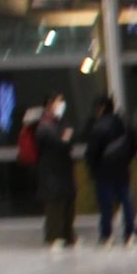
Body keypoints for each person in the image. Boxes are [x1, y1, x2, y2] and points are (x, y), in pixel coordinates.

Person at [81, 97, 137, 248]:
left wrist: (93, 168)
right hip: (122, 169)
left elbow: (91, 152)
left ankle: (106, 235)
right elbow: (135, 143)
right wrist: (127, 159)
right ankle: (130, 233)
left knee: (106, 206)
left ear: (101, 108)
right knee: (126, 202)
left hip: (104, 172)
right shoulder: (123, 123)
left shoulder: (98, 127)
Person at [34, 96, 78, 254]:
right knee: (55, 204)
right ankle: (54, 237)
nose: (61, 105)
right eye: (58, 102)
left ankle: (67, 236)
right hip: (52, 172)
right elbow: (62, 142)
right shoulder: (44, 126)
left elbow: (69, 137)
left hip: (63, 170)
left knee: (67, 202)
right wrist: (65, 138)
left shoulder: (60, 122)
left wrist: (66, 138)